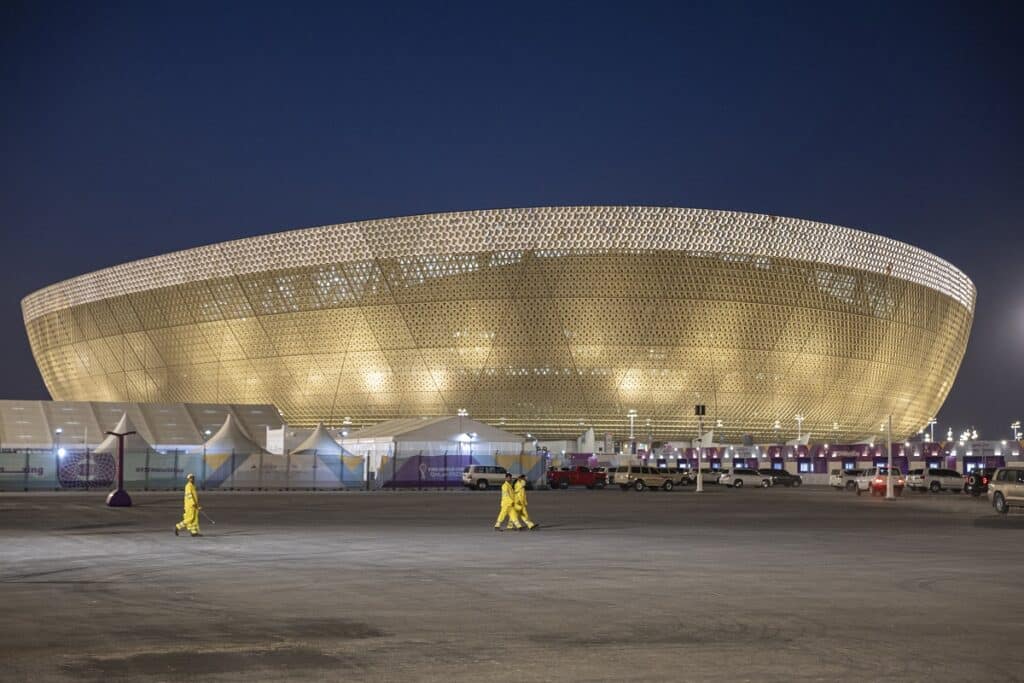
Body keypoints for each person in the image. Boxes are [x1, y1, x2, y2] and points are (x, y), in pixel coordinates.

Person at [174, 473, 201, 537]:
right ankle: (178, 526)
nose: (192, 479)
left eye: (193, 478)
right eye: (191, 478)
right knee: (190, 518)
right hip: (190, 505)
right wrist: (193, 503)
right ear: (188, 479)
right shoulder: (188, 486)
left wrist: (197, 505)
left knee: (194, 519)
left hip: (194, 505)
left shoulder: (192, 486)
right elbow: (189, 496)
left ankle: (194, 532)